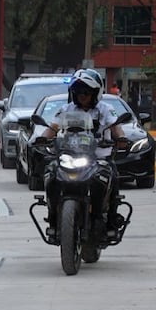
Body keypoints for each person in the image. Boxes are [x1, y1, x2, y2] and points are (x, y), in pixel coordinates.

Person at [39, 68, 127, 238]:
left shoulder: (106, 109)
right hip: (69, 156)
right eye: (78, 91)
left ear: (95, 92)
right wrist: (42, 139)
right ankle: (53, 216)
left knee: (112, 175)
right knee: (50, 173)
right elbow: (53, 127)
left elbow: (116, 129)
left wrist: (121, 139)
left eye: (86, 91)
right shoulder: (66, 109)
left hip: (99, 157)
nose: (82, 95)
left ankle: (109, 219)